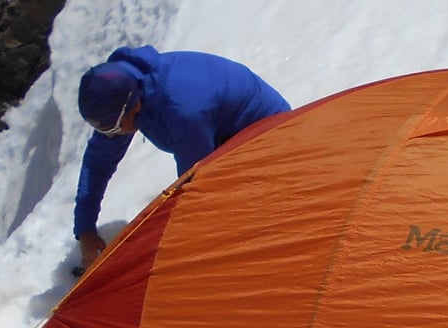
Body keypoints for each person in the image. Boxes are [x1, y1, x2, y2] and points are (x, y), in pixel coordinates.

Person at [73, 46, 291, 266]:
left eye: (112, 130)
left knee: (222, 222)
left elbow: (195, 183)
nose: (111, 137)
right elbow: (98, 163)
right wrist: (85, 229)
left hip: (269, 136)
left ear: (135, 107)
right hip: (221, 134)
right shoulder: (122, 90)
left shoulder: (183, 110)